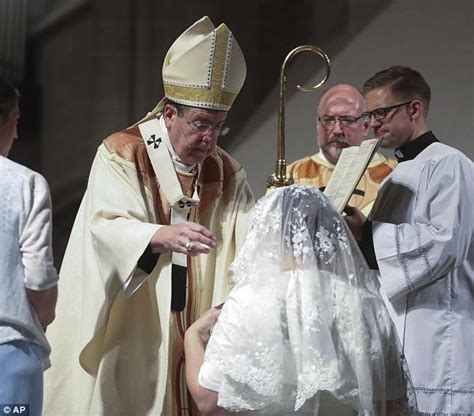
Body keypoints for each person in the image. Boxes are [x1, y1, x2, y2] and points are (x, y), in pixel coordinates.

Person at [43, 16, 254, 416]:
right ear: (169, 115)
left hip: (199, 318)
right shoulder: (123, 153)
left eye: (218, 127)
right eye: (200, 124)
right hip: (136, 318)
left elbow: (246, 245)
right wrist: (159, 236)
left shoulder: (226, 172)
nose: (208, 139)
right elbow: (103, 225)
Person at [185, 185, 417, 415]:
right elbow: (391, 406)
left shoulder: (248, 302)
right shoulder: (367, 305)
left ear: (272, 233)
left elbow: (210, 404)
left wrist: (192, 337)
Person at [344, 66, 474, 414]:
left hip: (438, 331)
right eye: (369, 115)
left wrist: (369, 234)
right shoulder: (395, 176)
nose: (372, 124)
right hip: (402, 329)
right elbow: (381, 257)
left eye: (381, 113)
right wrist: (358, 231)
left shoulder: (450, 164)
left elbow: (444, 244)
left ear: (414, 109)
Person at [0, 78, 58, 416]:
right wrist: (47, 311)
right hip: (8, 354)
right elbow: (37, 277)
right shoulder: (25, 183)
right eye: (16, 120)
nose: (18, 134)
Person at [287, 84, 396, 216]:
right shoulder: (291, 175)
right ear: (318, 124)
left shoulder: (393, 173)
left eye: (347, 120)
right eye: (328, 120)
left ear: (366, 126)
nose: (337, 130)